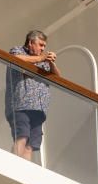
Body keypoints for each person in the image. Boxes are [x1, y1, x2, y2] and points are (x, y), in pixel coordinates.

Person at [5, 30, 60, 160]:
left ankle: (24, 169)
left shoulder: (43, 61)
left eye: (44, 46)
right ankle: (13, 165)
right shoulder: (17, 51)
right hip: (21, 106)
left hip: (39, 109)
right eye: (41, 45)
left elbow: (57, 77)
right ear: (30, 42)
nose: (43, 49)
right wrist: (41, 58)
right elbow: (15, 59)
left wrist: (51, 63)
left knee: (31, 145)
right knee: (22, 136)